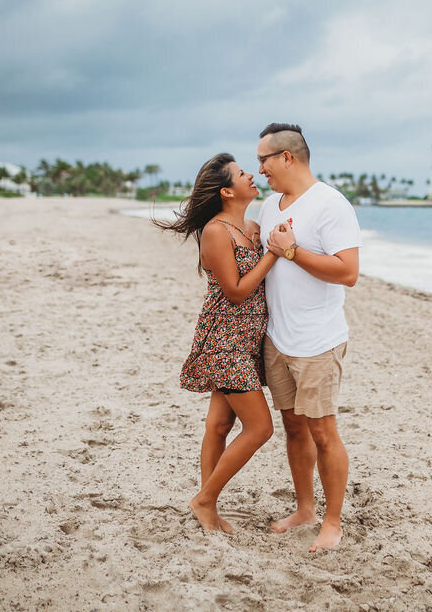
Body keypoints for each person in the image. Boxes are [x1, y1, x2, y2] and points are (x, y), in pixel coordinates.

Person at [154, 153, 278, 533]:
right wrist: (273, 253)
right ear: (227, 191)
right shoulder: (216, 231)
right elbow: (237, 291)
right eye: (243, 174)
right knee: (260, 428)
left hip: (247, 341)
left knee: (220, 425)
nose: (253, 175)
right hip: (224, 340)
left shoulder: (253, 228)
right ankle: (205, 500)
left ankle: (207, 506)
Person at [255, 123, 361, 552]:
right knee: (294, 429)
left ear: (287, 157)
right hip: (277, 337)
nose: (259, 168)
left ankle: (331, 522)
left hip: (318, 339)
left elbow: (348, 273)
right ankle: (304, 509)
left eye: (263, 159)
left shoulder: (330, 204)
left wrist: (293, 251)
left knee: (323, 433)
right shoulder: (269, 205)